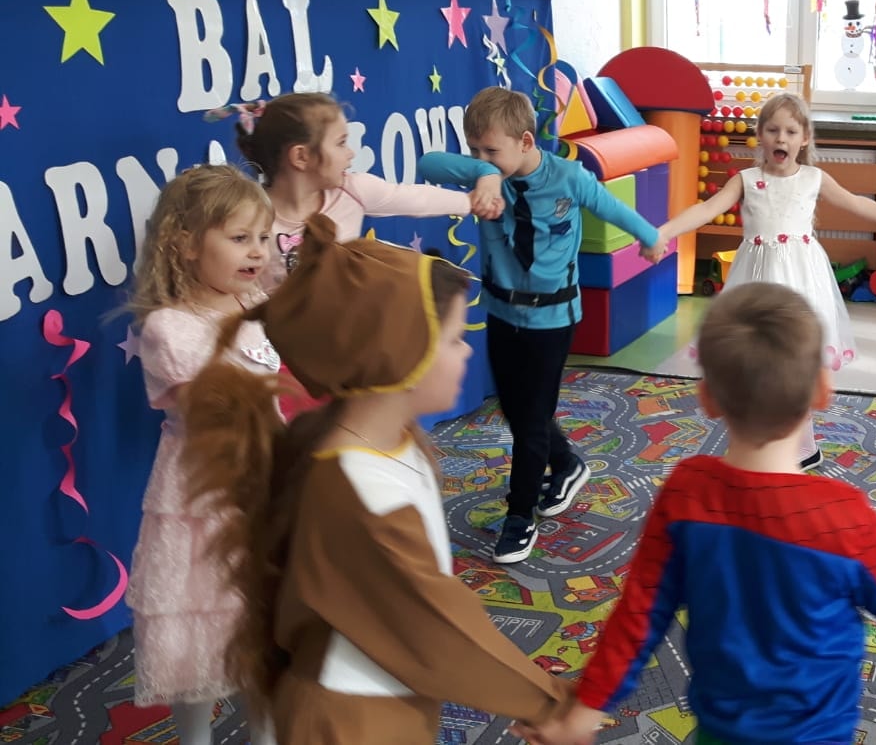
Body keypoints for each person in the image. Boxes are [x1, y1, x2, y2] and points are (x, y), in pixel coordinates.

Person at [525, 283, 876, 745]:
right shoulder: (845, 516)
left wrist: (585, 712)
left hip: (721, 729)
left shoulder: (687, 493)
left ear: (707, 398)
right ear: (823, 391)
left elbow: (638, 613)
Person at [181, 214, 571, 743]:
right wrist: (551, 705)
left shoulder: (395, 442)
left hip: (393, 696)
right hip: (349, 719)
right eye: (454, 339)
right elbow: (434, 626)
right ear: (402, 356)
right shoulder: (356, 485)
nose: (466, 351)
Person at [417, 87, 662, 564]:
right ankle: (566, 463)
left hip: (552, 319)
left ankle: (520, 515)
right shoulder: (488, 173)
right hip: (502, 311)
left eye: (491, 151)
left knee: (530, 421)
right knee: (516, 408)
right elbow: (429, 163)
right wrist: (486, 173)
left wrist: (650, 238)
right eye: (474, 150)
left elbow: (613, 209)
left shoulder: (568, 178)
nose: (481, 159)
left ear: (526, 141)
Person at [648, 91, 876, 469]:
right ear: (760, 136)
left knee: (797, 358)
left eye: (790, 131)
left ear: (805, 139)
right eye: (772, 130)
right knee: (756, 358)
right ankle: (762, 438)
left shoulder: (814, 178)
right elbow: (707, 208)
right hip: (756, 280)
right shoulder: (747, 180)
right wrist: (664, 232)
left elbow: (856, 202)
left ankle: (805, 444)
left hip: (802, 279)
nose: (781, 138)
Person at [122, 163, 279, 745]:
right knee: (200, 626)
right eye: (239, 238)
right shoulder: (169, 328)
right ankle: (195, 737)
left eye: (263, 237)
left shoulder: (250, 301)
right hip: (206, 498)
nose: (257, 251)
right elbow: (213, 413)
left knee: (264, 626)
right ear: (184, 244)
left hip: (267, 484)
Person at [215, 93, 503, 292]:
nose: (351, 153)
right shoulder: (252, 216)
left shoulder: (353, 190)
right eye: (341, 143)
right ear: (301, 157)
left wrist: (470, 202)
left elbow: (415, 198)